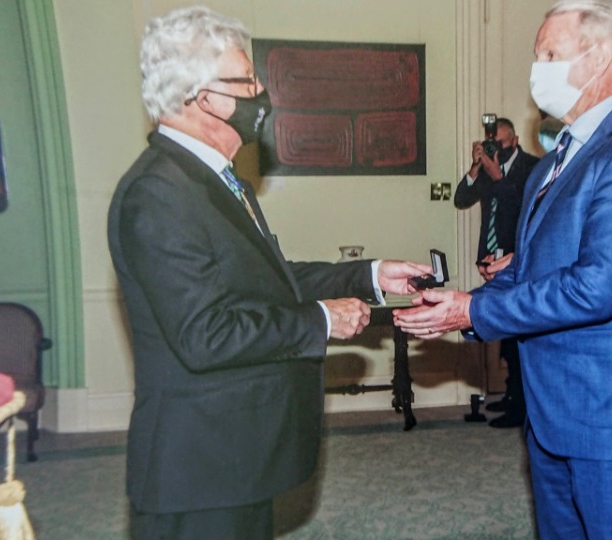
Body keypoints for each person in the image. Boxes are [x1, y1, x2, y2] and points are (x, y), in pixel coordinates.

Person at [106, 7, 430, 539]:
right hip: (199, 469)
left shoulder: (211, 179)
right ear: (200, 94)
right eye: (247, 80)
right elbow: (205, 335)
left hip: (234, 458)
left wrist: (369, 275)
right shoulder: (160, 193)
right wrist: (320, 320)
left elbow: (270, 281)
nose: (262, 92)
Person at [395, 1, 612, 537]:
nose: (537, 67)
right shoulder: (564, 154)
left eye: (550, 54)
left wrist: (477, 310)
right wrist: (464, 308)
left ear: (601, 56)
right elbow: (534, 265)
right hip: (558, 410)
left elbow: (597, 288)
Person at [454, 117, 539, 428]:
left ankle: (521, 407)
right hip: (491, 258)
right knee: (505, 333)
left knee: (519, 334)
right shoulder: (488, 165)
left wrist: (498, 177)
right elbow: (461, 199)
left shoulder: (532, 167)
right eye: (492, 144)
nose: (497, 149)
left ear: (514, 141)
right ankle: (511, 395)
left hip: (519, 261)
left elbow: (522, 210)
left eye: (502, 144)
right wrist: (477, 167)